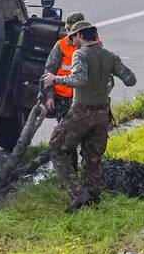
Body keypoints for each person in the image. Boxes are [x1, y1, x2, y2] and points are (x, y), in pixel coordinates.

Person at [42, 21, 136, 211]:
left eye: (72, 37)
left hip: (82, 112)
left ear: (80, 36)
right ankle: (93, 197)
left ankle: (78, 194)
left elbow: (79, 79)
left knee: (56, 147)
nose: (71, 41)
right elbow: (130, 80)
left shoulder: (80, 54)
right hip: (102, 114)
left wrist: (55, 79)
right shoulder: (109, 56)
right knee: (93, 157)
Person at [43, 11, 88, 120]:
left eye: (72, 30)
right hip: (64, 99)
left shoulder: (94, 44)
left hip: (86, 98)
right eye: (68, 30)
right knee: (64, 133)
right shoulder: (61, 45)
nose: (69, 33)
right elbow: (49, 72)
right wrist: (50, 97)